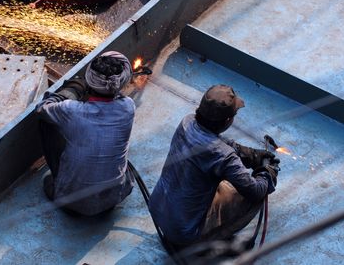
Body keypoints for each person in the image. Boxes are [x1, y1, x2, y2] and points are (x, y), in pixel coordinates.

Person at [149, 84, 279, 246]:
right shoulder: (224, 157)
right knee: (256, 195)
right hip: (185, 233)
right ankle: (201, 245)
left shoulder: (187, 122)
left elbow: (216, 142)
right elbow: (255, 191)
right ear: (227, 121)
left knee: (224, 182)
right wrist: (268, 173)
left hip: (157, 209)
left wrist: (251, 155)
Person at [36, 51, 135, 216]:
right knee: (125, 167)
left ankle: (57, 176)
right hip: (112, 199)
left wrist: (74, 88)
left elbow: (42, 108)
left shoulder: (70, 110)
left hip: (70, 202)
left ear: (90, 81)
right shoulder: (128, 107)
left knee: (45, 123)